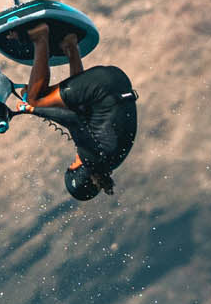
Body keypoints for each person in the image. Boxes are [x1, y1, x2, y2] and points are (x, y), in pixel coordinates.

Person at [12, 22, 137, 201]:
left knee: (68, 104)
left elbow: (77, 114)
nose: (75, 159)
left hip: (118, 81)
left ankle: (70, 45)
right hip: (102, 87)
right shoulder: (91, 160)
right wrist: (32, 109)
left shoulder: (110, 160)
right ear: (80, 172)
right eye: (72, 165)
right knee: (35, 98)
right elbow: (72, 119)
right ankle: (40, 37)